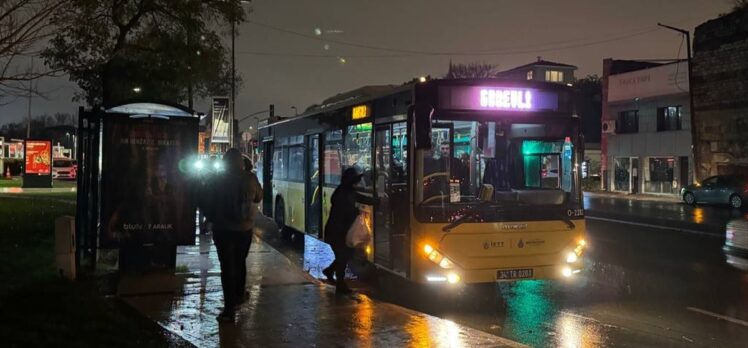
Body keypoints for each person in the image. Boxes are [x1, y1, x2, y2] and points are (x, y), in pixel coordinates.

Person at [202, 148, 263, 321]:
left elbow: (207, 201)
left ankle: (229, 309)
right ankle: (239, 294)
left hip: (222, 229)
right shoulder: (250, 178)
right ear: (240, 162)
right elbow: (259, 197)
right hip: (244, 229)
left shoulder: (216, 179)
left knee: (226, 267)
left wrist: (210, 219)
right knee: (240, 262)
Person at [321, 167, 375, 294]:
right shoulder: (342, 193)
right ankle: (340, 285)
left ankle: (330, 272)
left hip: (340, 231)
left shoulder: (346, 190)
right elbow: (345, 211)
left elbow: (361, 198)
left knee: (345, 256)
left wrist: (375, 201)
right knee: (343, 256)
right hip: (336, 232)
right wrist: (357, 212)